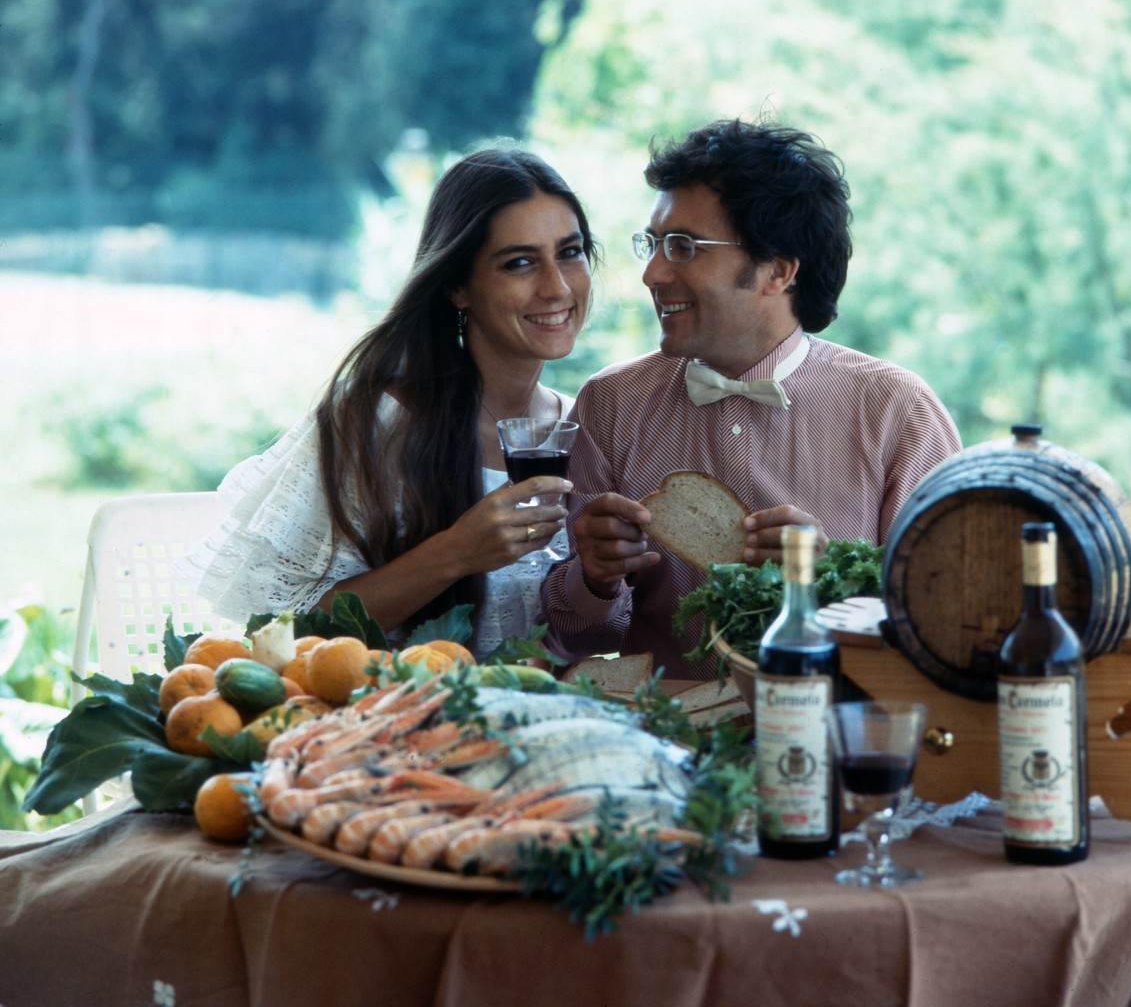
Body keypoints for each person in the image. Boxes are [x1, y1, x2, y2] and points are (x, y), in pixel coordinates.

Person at [541, 119, 961, 677]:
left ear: (778, 271)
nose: (652, 273)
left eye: (684, 247)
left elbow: (950, 626)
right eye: (655, 243)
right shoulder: (610, 405)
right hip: (668, 742)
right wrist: (593, 577)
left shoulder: (897, 413)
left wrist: (834, 583)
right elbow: (575, 643)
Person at [180, 149, 597, 657]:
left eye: (570, 252)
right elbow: (283, 634)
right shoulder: (376, 423)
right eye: (520, 262)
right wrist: (455, 553)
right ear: (457, 287)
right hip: (392, 721)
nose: (556, 287)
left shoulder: (590, 424)